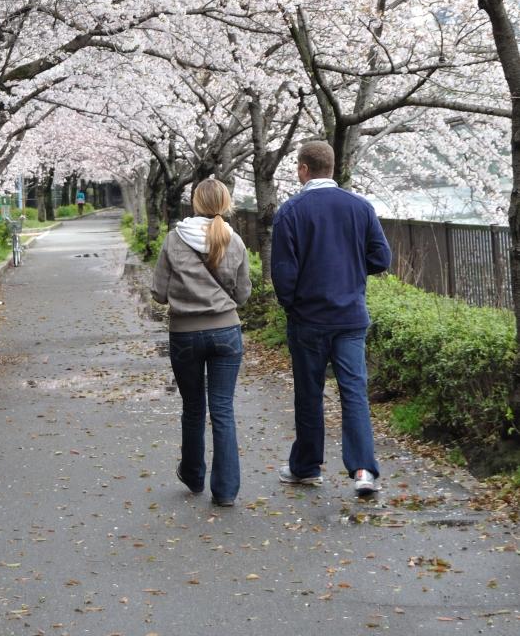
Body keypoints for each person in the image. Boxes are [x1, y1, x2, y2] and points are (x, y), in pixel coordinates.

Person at [271, 139, 392, 497]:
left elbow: (283, 272)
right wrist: (352, 270)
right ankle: (363, 470)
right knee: (354, 392)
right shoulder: (360, 207)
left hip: (308, 317)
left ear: (304, 169)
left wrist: (291, 305)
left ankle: (307, 467)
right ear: (333, 167)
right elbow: (381, 258)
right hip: (350, 316)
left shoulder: (290, 212)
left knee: (309, 393)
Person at [151, 178, 252, 507]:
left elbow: (158, 293)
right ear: (225, 203)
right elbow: (243, 294)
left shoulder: (174, 239)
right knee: (222, 409)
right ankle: (226, 491)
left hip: (185, 333)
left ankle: (194, 476)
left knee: (193, 406)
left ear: (196, 203)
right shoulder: (234, 240)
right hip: (226, 332)